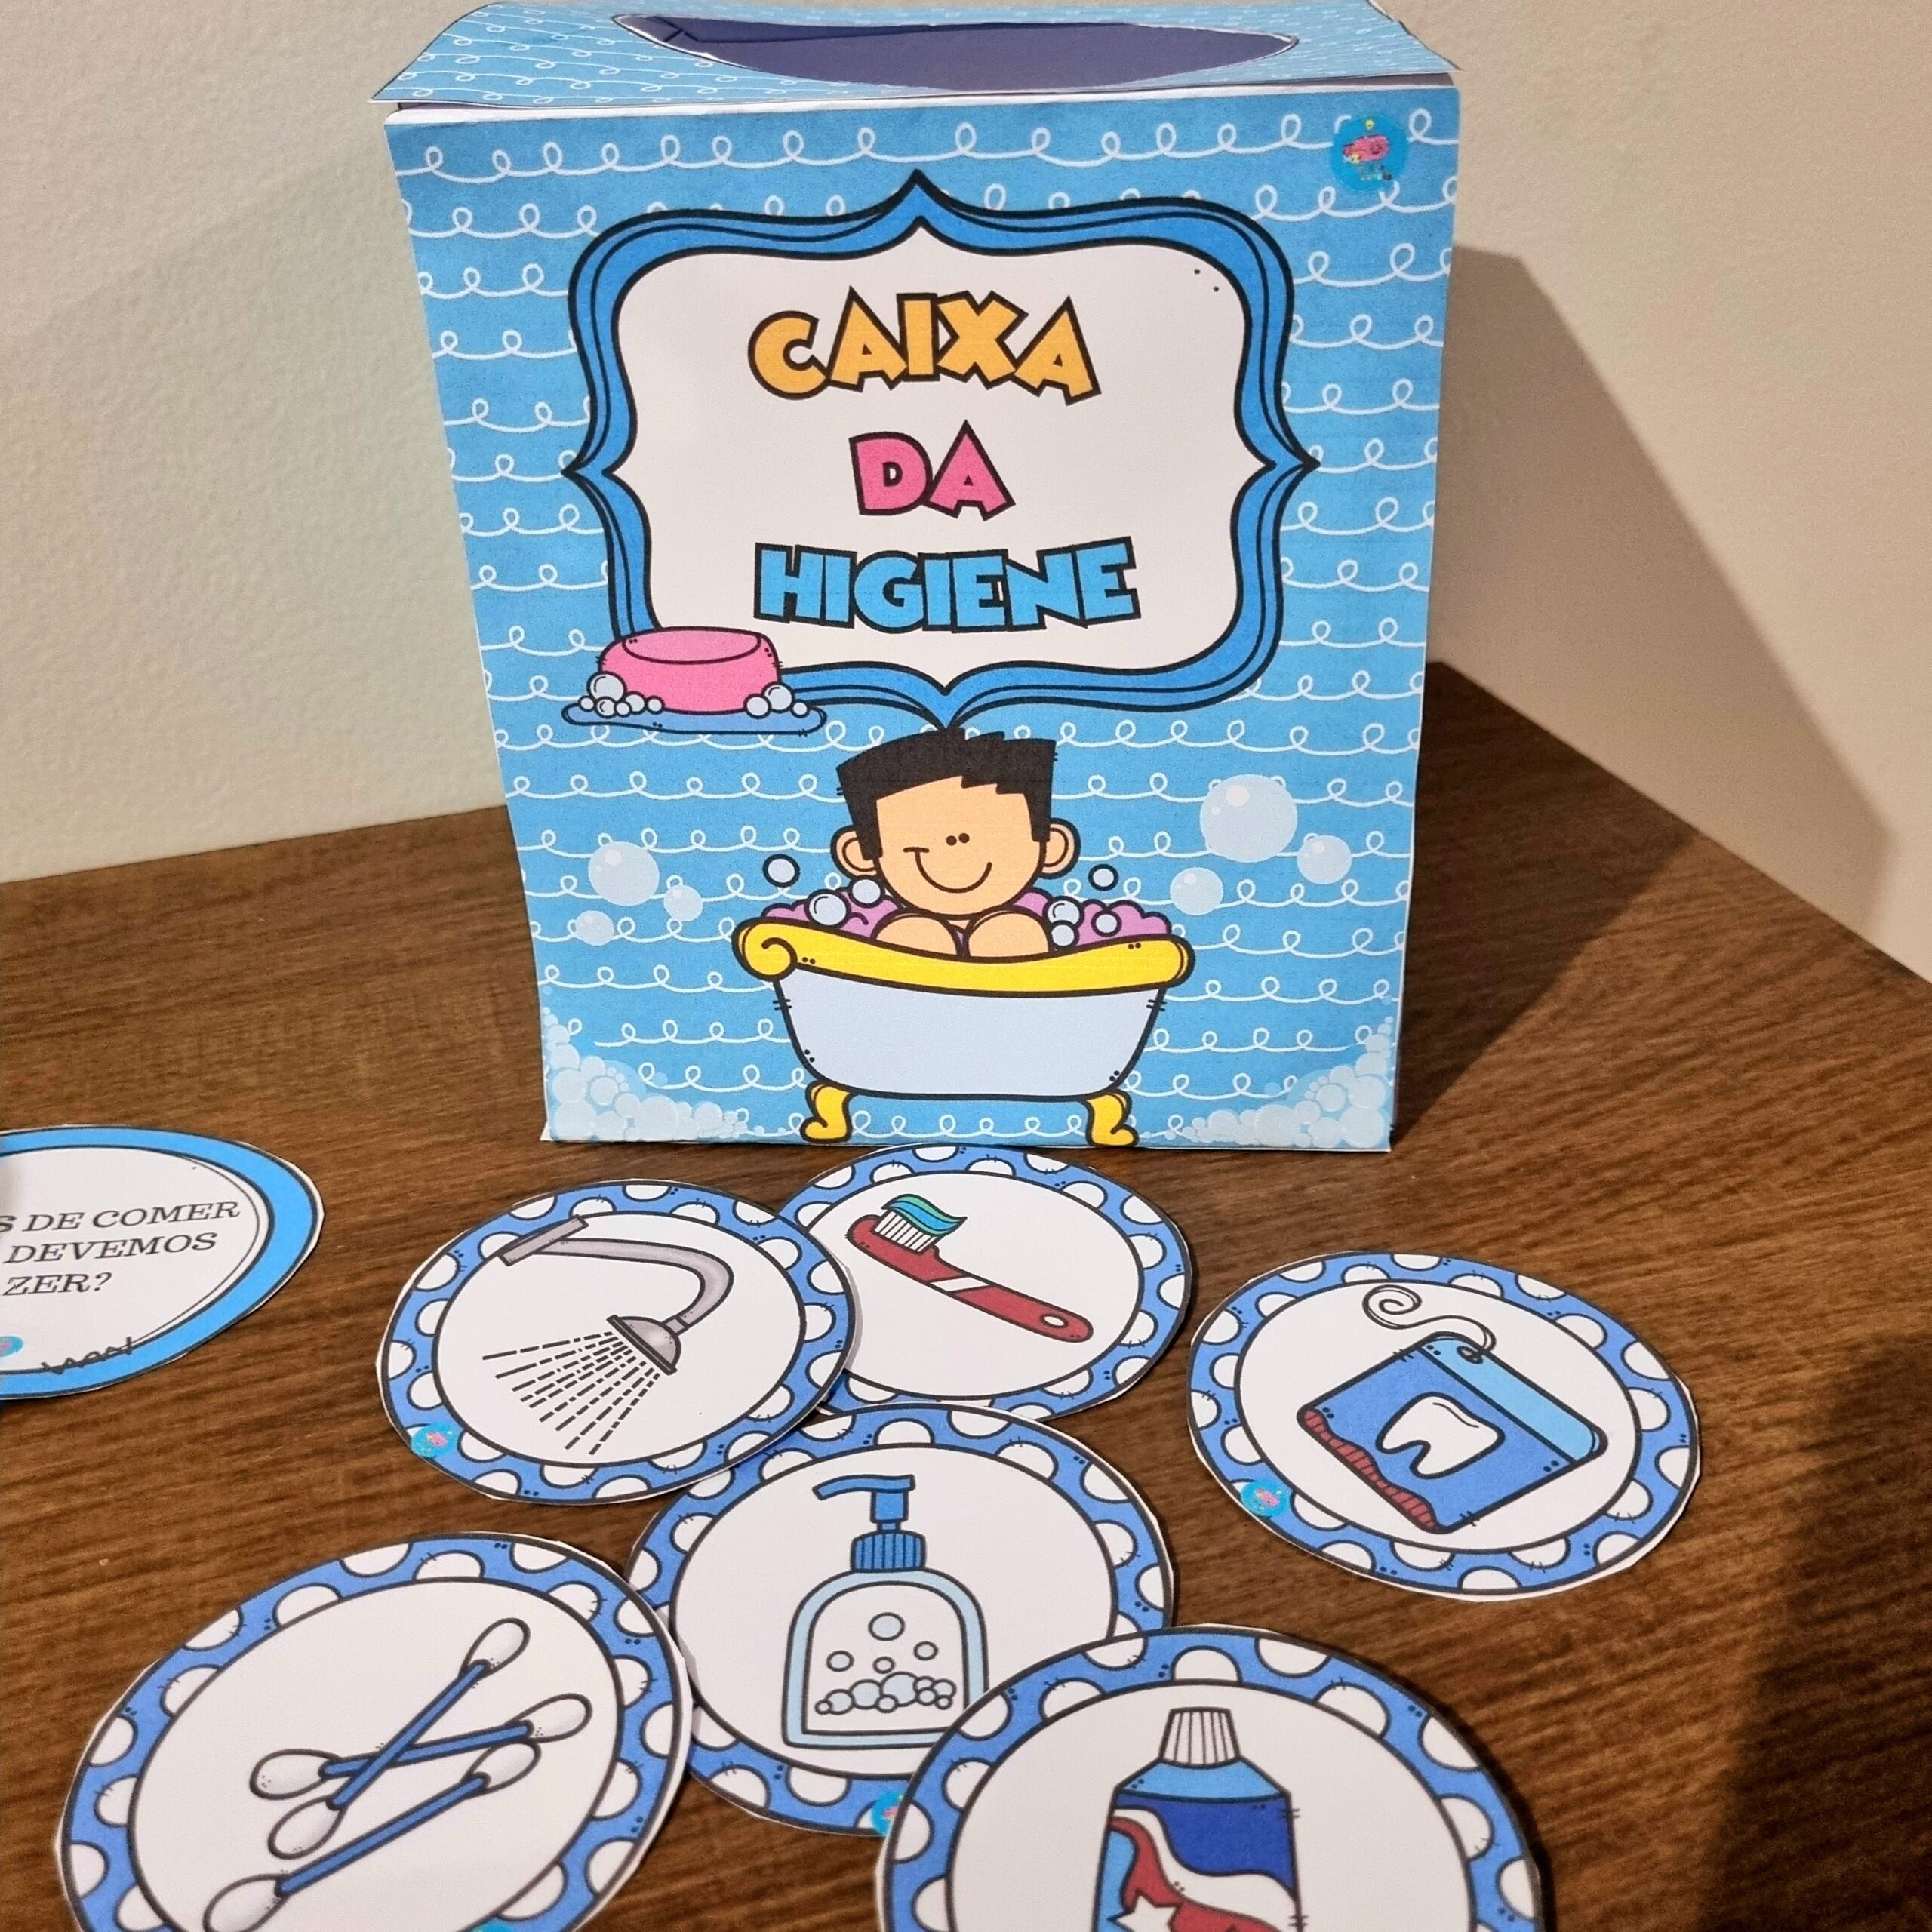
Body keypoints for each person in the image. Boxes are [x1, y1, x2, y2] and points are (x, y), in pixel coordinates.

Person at [831, 728, 1078, 958]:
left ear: (1053, 848)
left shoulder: (1052, 916)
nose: (956, 841)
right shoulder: (860, 917)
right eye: (922, 823)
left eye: (989, 822)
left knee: (1014, 931)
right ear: (859, 853)